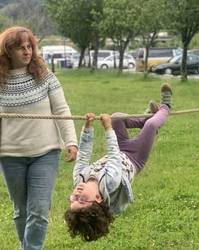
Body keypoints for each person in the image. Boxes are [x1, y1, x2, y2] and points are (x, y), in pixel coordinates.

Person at [0, 26, 78, 249]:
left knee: (39, 210)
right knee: (22, 211)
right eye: (20, 48)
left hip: (45, 154)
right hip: (10, 155)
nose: (27, 52)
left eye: (29, 47)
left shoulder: (45, 76)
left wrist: (71, 141)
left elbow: (62, 110)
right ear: (7, 51)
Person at [64, 83, 172, 242]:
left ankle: (146, 117)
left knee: (117, 118)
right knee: (151, 126)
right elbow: (113, 155)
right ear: (97, 199)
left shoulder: (79, 179)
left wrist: (88, 128)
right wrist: (108, 129)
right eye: (81, 200)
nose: (76, 194)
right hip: (135, 156)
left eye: (73, 199)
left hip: (120, 148)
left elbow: (83, 155)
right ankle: (166, 106)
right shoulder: (110, 183)